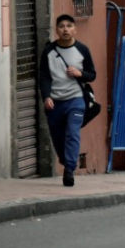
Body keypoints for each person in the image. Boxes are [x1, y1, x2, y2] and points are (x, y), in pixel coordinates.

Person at [38, 14, 97, 187]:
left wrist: (80, 74)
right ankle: (66, 160)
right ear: (56, 30)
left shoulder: (82, 50)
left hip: (76, 99)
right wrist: (46, 96)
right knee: (57, 137)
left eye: (69, 26)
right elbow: (44, 77)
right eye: (62, 26)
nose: (65, 29)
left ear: (74, 29)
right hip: (55, 102)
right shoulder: (48, 51)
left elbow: (92, 74)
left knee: (72, 132)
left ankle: (69, 169)